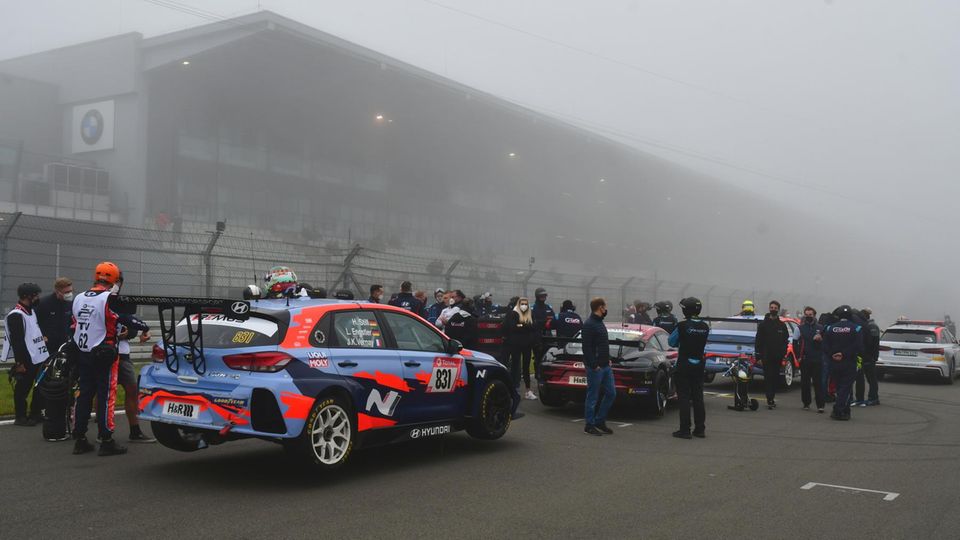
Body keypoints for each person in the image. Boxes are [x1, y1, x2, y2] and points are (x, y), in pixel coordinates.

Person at [71, 262, 127, 456]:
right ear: (114, 279)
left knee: (84, 394)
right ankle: (106, 439)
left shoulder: (78, 297)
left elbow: (73, 325)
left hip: (82, 352)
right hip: (104, 352)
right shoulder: (109, 298)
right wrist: (141, 327)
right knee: (106, 395)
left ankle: (79, 438)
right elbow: (119, 319)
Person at [114, 275, 156, 443]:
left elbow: (131, 326)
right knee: (101, 391)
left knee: (132, 389)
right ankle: (102, 429)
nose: (115, 285)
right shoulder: (96, 300)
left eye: (117, 282)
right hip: (101, 352)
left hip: (122, 354)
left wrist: (128, 333)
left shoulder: (124, 300)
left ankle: (135, 430)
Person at [3, 283, 48, 426]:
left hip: (38, 356)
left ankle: (35, 413)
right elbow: (17, 342)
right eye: (35, 295)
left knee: (39, 387)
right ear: (27, 296)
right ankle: (20, 416)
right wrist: (19, 363)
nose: (37, 297)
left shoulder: (31, 311)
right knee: (22, 388)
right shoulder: (16, 315)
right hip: (26, 358)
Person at [669, 297, 710, 439]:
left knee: (684, 397)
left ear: (686, 310)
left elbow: (671, 342)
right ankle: (700, 429)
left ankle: (685, 430)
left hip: (684, 365)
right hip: (699, 364)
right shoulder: (705, 326)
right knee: (698, 397)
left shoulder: (682, 325)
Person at [823, 305, 863, 421]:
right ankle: (838, 410)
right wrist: (843, 354)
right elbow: (859, 347)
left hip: (833, 362)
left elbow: (825, 346)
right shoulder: (857, 328)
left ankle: (845, 411)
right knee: (845, 388)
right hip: (849, 362)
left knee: (839, 387)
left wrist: (833, 354)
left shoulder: (830, 328)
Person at [581, 297, 614, 436]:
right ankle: (589, 424)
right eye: (605, 306)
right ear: (600, 307)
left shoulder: (600, 323)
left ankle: (600, 420)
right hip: (596, 368)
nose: (606, 309)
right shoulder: (589, 324)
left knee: (611, 393)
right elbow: (586, 347)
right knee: (592, 396)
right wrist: (594, 365)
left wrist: (609, 359)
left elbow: (602, 344)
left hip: (606, 365)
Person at [502, 296, 538, 400]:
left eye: (525, 304)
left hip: (527, 344)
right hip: (515, 344)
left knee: (526, 367)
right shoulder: (513, 313)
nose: (524, 306)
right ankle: (513, 389)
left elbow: (534, 326)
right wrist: (524, 325)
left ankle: (528, 390)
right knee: (515, 365)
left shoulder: (530, 313)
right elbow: (513, 326)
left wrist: (522, 325)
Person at [755, 300, 788, 409]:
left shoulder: (782, 325)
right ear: (769, 308)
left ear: (778, 309)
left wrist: (783, 353)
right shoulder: (763, 325)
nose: (773, 309)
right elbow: (758, 341)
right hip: (766, 357)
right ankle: (769, 399)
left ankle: (772, 396)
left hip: (778, 357)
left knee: (775, 378)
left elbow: (785, 341)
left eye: (775, 308)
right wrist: (758, 356)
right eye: (771, 307)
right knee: (768, 378)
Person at [36, 277, 74, 356]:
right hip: (47, 345)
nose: (69, 294)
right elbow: (33, 322)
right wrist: (41, 336)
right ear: (58, 292)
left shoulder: (71, 304)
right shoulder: (43, 303)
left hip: (64, 344)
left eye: (71, 291)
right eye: (66, 292)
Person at [798, 306, 825, 412]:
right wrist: (798, 356)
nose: (808, 317)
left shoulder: (821, 328)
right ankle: (806, 403)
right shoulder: (800, 328)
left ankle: (820, 405)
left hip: (817, 360)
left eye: (810, 315)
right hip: (805, 359)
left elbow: (826, 343)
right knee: (805, 383)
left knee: (818, 383)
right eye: (807, 315)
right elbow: (796, 343)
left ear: (814, 315)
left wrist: (821, 340)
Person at [854, 308, 881, 407]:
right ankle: (859, 399)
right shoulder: (863, 325)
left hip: (869, 357)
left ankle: (874, 398)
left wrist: (873, 357)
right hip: (861, 356)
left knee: (871, 378)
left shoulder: (872, 326)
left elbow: (874, 344)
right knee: (859, 377)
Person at [531, 287, 555, 381]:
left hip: (548, 336)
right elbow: (532, 323)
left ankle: (546, 374)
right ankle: (538, 374)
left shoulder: (548, 307)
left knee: (548, 356)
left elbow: (553, 320)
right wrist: (544, 322)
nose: (543, 297)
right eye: (541, 295)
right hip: (537, 337)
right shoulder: (533, 308)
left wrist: (545, 322)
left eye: (544, 295)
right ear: (537, 296)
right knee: (538, 356)